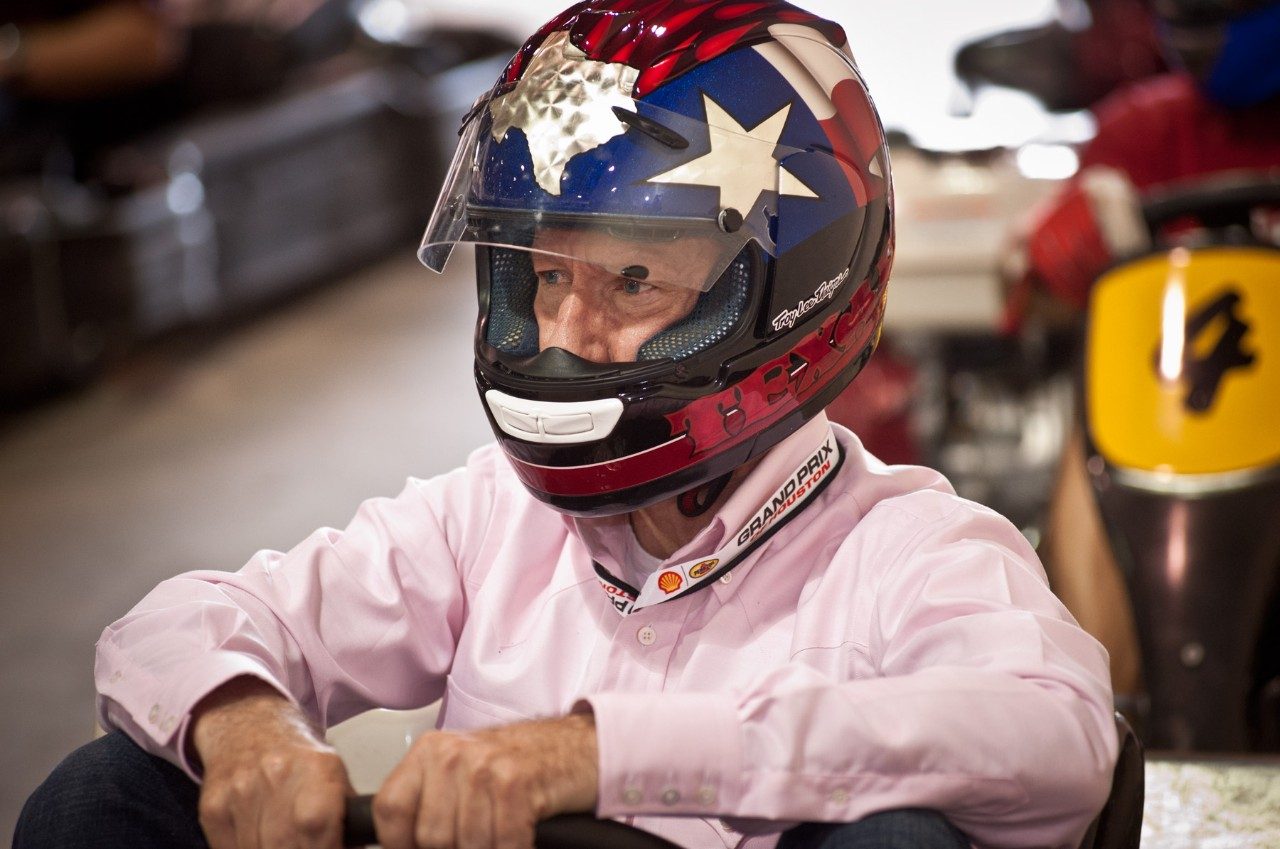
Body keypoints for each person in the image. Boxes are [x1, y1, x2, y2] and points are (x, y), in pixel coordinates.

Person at [16, 2, 1118, 848]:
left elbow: (1058, 733)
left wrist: (604, 756)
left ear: (791, 294)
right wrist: (246, 724)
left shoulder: (907, 549)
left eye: (633, 280)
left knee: (903, 838)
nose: (566, 337)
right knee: (106, 792)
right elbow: (174, 629)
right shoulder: (485, 523)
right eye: (544, 277)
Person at [1000, 0, 1280, 706]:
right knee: (1093, 446)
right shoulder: (1141, 129)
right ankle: (1105, 701)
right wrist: (1058, 252)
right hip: (1165, 423)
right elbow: (1030, 296)